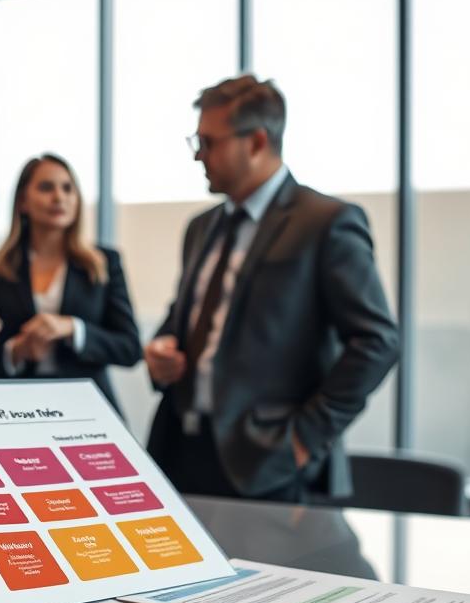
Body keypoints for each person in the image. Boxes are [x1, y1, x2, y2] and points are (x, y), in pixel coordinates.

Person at [144, 75, 399, 502]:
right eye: (197, 141)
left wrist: (303, 439)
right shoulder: (200, 228)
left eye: (209, 142)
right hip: (180, 454)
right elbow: (183, 320)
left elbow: (378, 342)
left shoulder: (326, 222)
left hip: (270, 465)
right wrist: (161, 349)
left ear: (257, 141)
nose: (198, 156)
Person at [0, 153, 141, 410]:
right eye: (45, 187)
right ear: (22, 202)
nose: (59, 197)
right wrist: (15, 352)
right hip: (17, 409)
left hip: (89, 408)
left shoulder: (103, 263)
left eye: (67, 188)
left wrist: (74, 329)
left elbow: (130, 348)